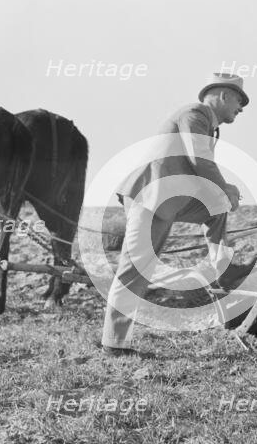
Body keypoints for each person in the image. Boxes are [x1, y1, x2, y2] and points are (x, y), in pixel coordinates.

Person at [101, 73, 249, 357]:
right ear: (224, 96)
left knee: (218, 207)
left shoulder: (205, 121)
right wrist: (227, 187)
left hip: (171, 200)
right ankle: (114, 344)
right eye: (239, 101)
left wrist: (223, 195)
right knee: (134, 271)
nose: (240, 109)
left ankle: (222, 269)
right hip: (151, 198)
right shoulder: (195, 114)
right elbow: (200, 160)